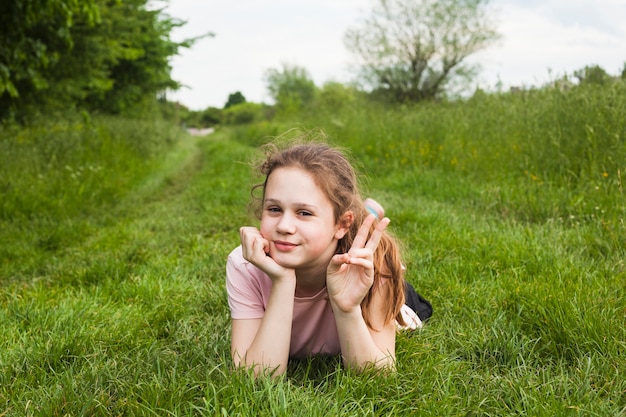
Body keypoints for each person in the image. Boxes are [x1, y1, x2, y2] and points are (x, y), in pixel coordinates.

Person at [226, 131, 431, 376]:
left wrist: (347, 309)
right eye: (274, 209)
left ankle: (365, 216)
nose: (283, 226)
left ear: (342, 225)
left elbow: (379, 377)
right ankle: (365, 212)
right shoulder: (246, 263)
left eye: (304, 213)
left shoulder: (373, 265)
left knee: (410, 309)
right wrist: (282, 281)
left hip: (382, 288)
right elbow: (256, 376)